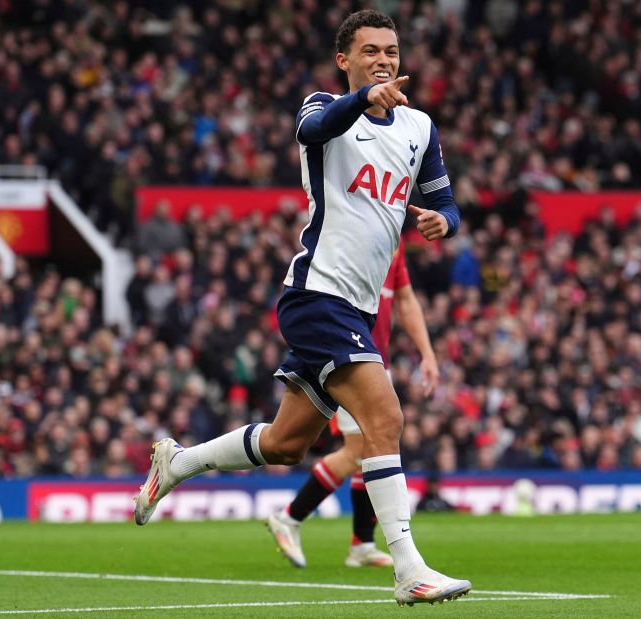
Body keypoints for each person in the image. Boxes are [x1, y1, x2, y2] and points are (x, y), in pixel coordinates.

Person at [133, 9, 471, 606]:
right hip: (318, 295)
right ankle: (408, 569)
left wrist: (444, 219)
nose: (384, 60)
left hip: (358, 308)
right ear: (345, 60)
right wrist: (364, 96)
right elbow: (312, 133)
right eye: (370, 52)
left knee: (287, 443)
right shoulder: (324, 108)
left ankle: (178, 463)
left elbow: (447, 199)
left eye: (391, 51)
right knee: (384, 421)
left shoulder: (420, 127)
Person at [267, 240, 438, 569]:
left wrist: (427, 352)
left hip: (374, 359)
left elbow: (405, 298)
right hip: (348, 355)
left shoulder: (394, 244)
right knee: (361, 448)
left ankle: (360, 542)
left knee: (365, 450)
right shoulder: (355, 232)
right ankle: (291, 517)